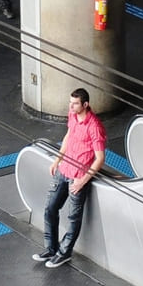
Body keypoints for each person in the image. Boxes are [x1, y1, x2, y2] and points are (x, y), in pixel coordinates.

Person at [35, 89, 105, 269]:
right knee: (50, 208)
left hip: (78, 178)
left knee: (73, 218)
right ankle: (51, 248)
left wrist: (83, 181)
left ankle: (64, 252)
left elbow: (100, 158)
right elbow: (68, 136)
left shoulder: (94, 127)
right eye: (70, 102)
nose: (70, 106)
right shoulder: (73, 116)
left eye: (74, 103)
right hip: (64, 170)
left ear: (85, 105)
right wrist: (58, 159)